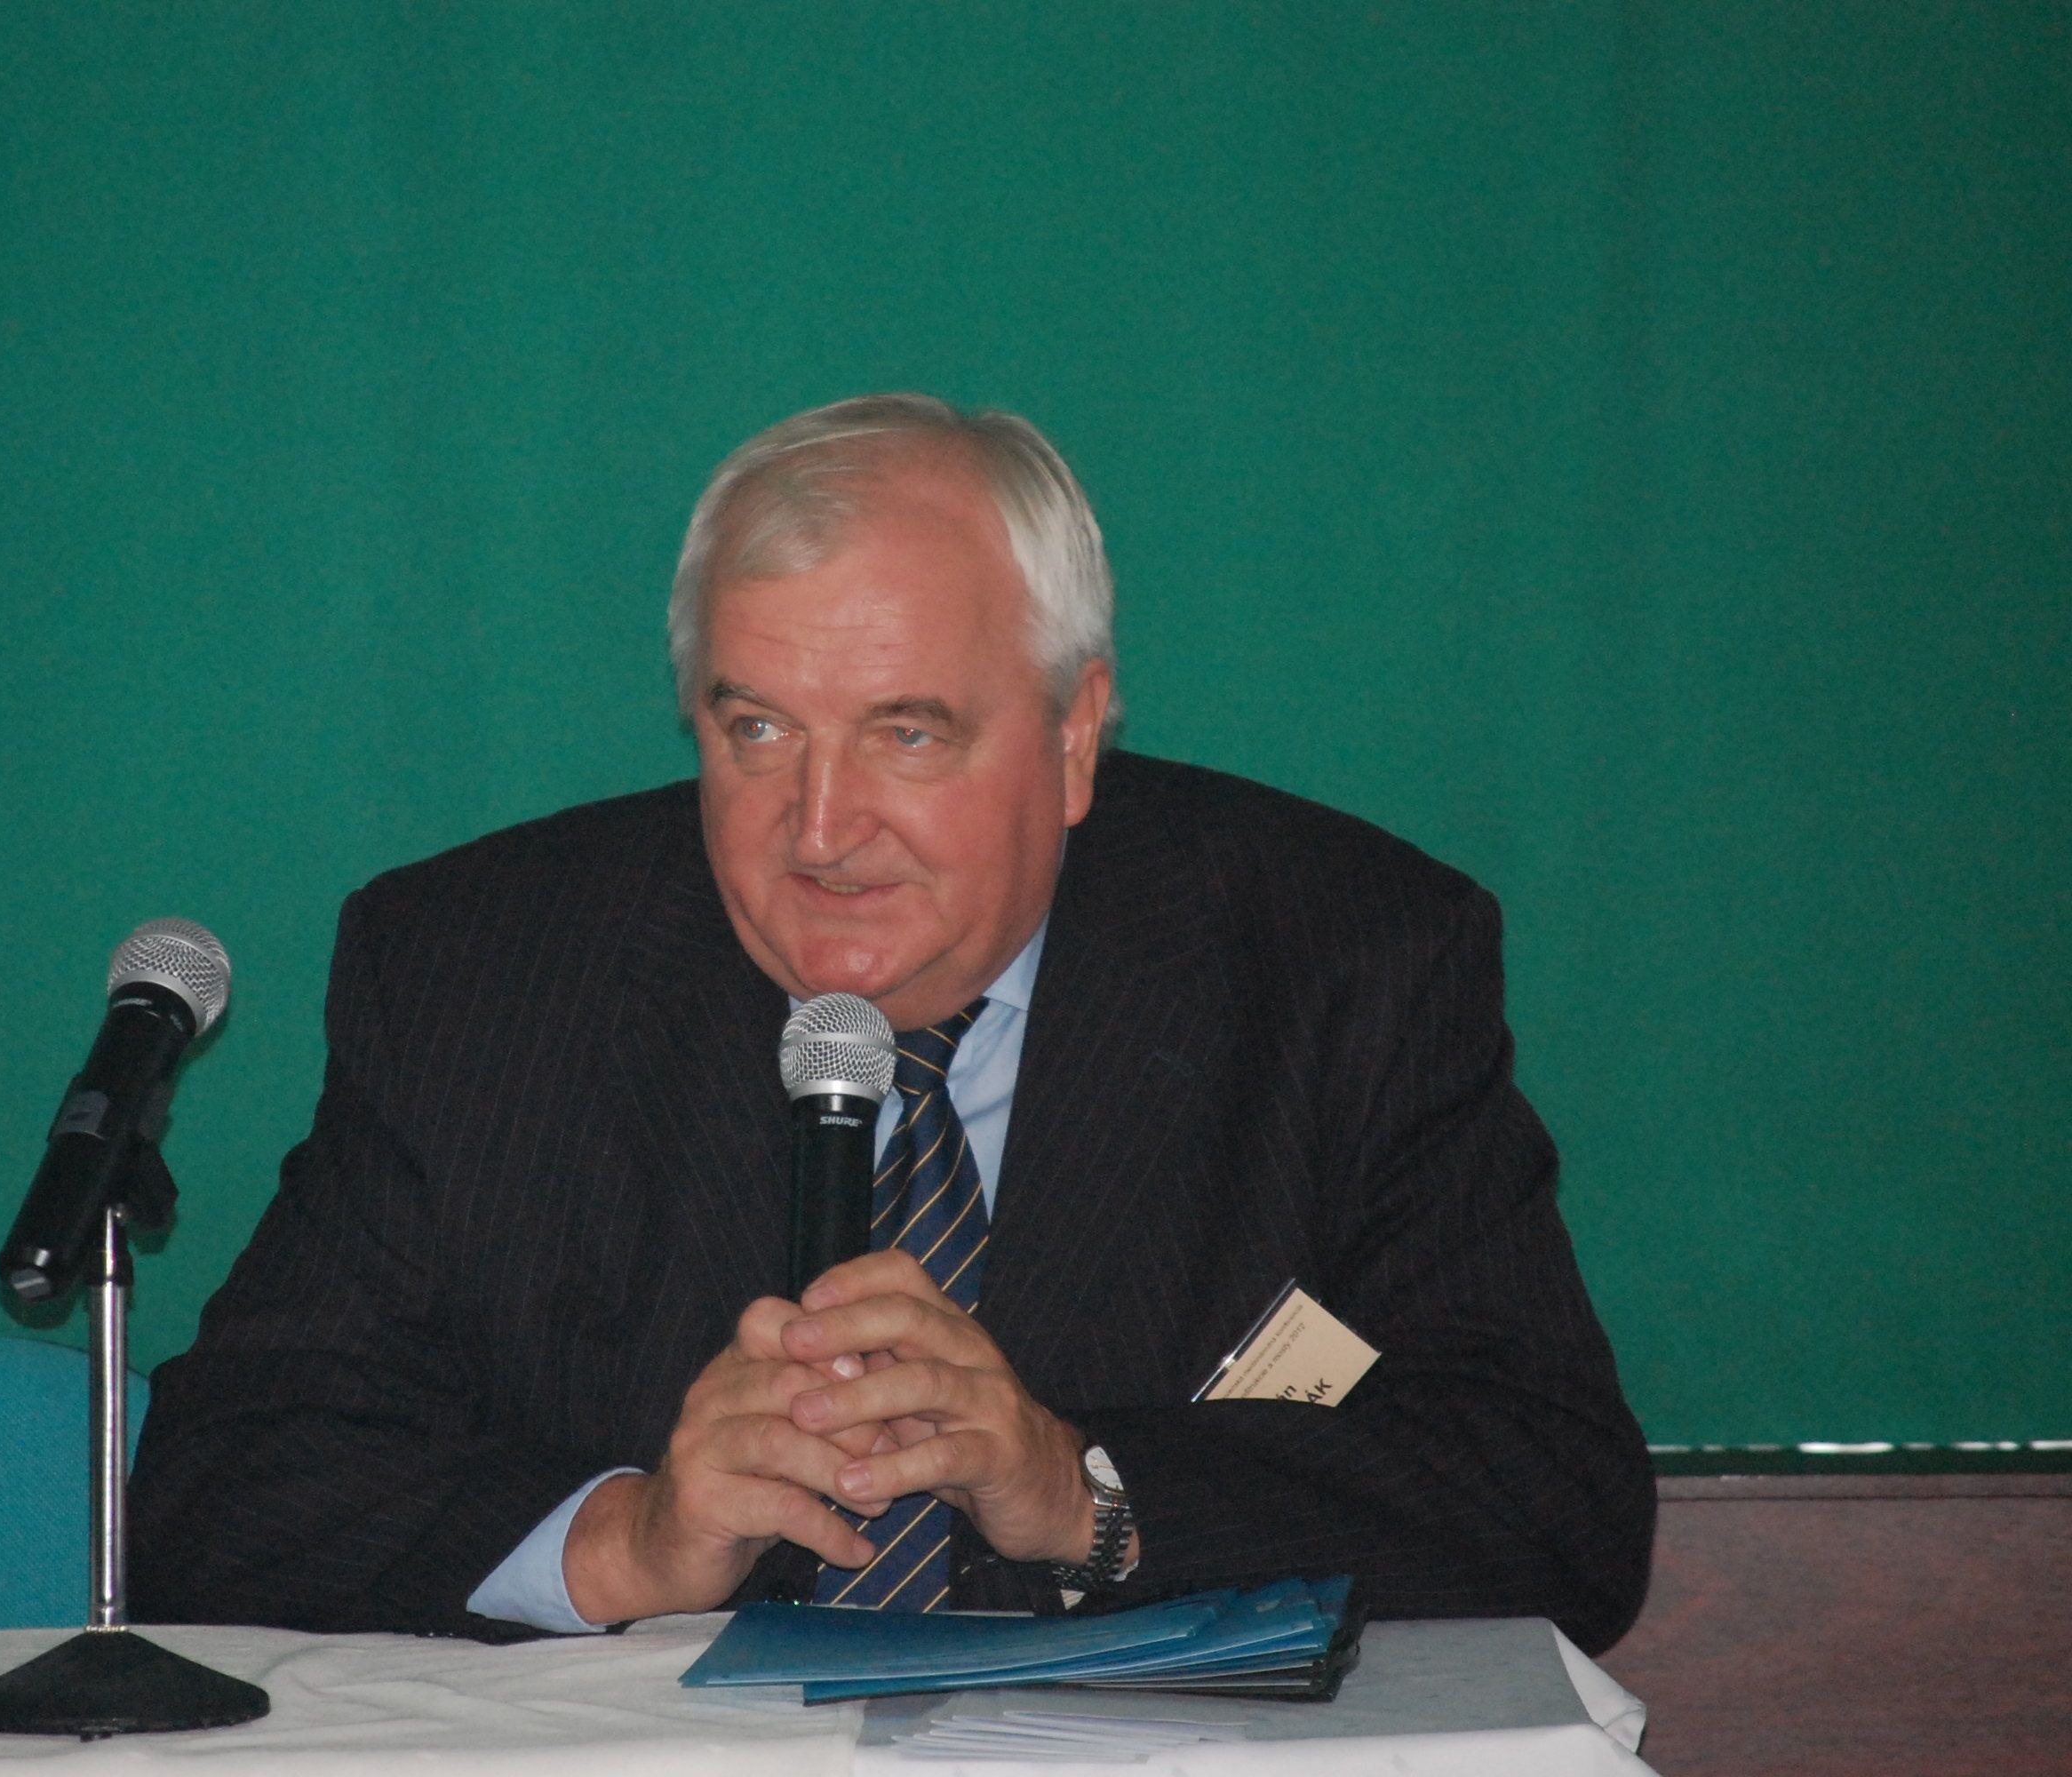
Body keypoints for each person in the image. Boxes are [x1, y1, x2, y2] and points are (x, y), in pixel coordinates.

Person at [128, 394, 1654, 1652]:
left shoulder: (1343, 966)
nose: (819, 827)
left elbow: (1554, 1507)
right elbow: (224, 1493)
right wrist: (628, 1543)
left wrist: (1080, 1492)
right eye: (757, 730)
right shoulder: (483, 974)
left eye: (906, 733)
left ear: (1074, 735)